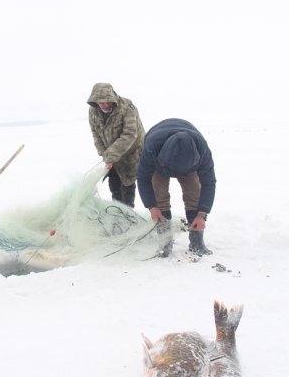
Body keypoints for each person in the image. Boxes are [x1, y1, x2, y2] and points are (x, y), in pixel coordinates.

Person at [136, 118, 216, 257]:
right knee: (159, 195)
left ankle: (196, 242)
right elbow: (143, 178)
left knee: (194, 193)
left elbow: (209, 182)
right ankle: (165, 243)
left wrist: (202, 214)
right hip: (160, 164)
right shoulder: (151, 148)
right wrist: (151, 207)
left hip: (189, 166)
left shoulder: (202, 150)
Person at [86, 83, 145, 208]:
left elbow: (130, 134)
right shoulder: (93, 112)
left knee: (128, 184)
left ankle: (128, 215)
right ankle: (117, 213)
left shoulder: (127, 107)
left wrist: (110, 155)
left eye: (108, 101)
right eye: (102, 103)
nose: (106, 105)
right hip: (110, 155)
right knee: (114, 184)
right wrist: (104, 155)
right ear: (95, 102)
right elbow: (96, 134)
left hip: (131, 153)